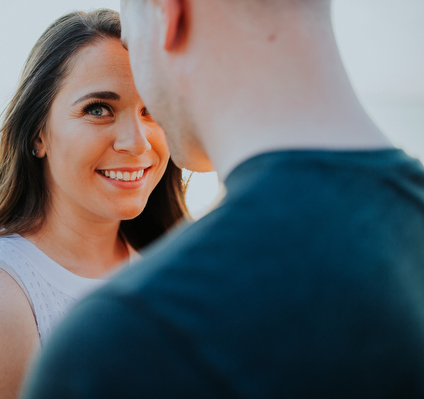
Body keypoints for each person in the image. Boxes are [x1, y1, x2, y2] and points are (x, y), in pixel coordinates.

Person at [24, 0, 424, 398]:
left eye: (132, 37)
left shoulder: (121, 347)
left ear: (168, 12)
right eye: (99, 109)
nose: (138, 138)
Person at [0, 9, 188, 399]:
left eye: (151, 110)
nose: (138, 142)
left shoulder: (169, 265)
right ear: (38, 134)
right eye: (98, 109)